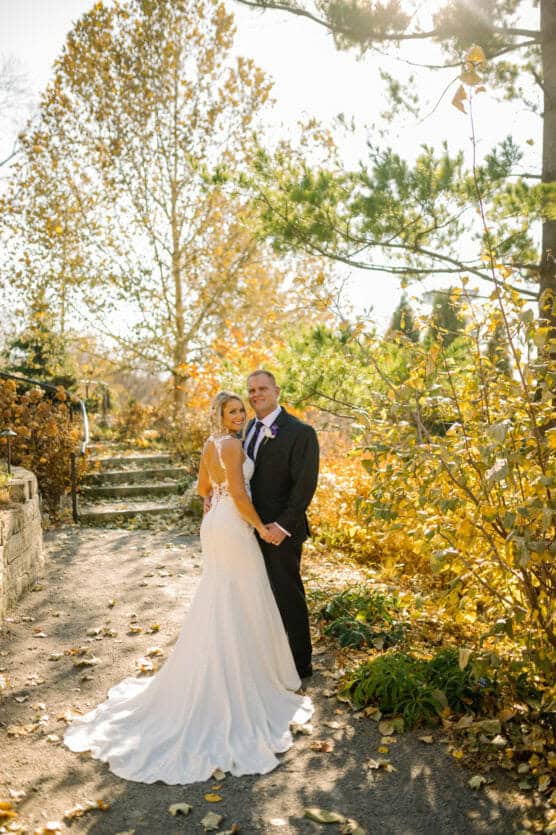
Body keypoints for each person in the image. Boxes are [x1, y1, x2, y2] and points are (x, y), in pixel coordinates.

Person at [63, 392, 312, 785]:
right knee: (241, 595)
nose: (239, 415)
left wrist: (216, 504)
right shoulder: (230, 445)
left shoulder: (209, 445)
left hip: (215, 526)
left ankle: (219, 664)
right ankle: (239, 674)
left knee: (221, 594)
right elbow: (241, 494)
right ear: (220, 415)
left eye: (241, 411)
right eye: (232, 411)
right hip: (234, 527)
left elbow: (202, 489)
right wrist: (260, 526)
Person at [244, 370, 320, 680]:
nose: (255, 394)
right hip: (249, 528)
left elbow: (304, 487)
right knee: (258, 594)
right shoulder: (248, 427)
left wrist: (282, 527)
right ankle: (269, 658)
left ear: (277, 391)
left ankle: (301, 665)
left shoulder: (300, 432)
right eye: (251, 390)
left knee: (288, 595)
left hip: (280, 532)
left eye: (262, 388)